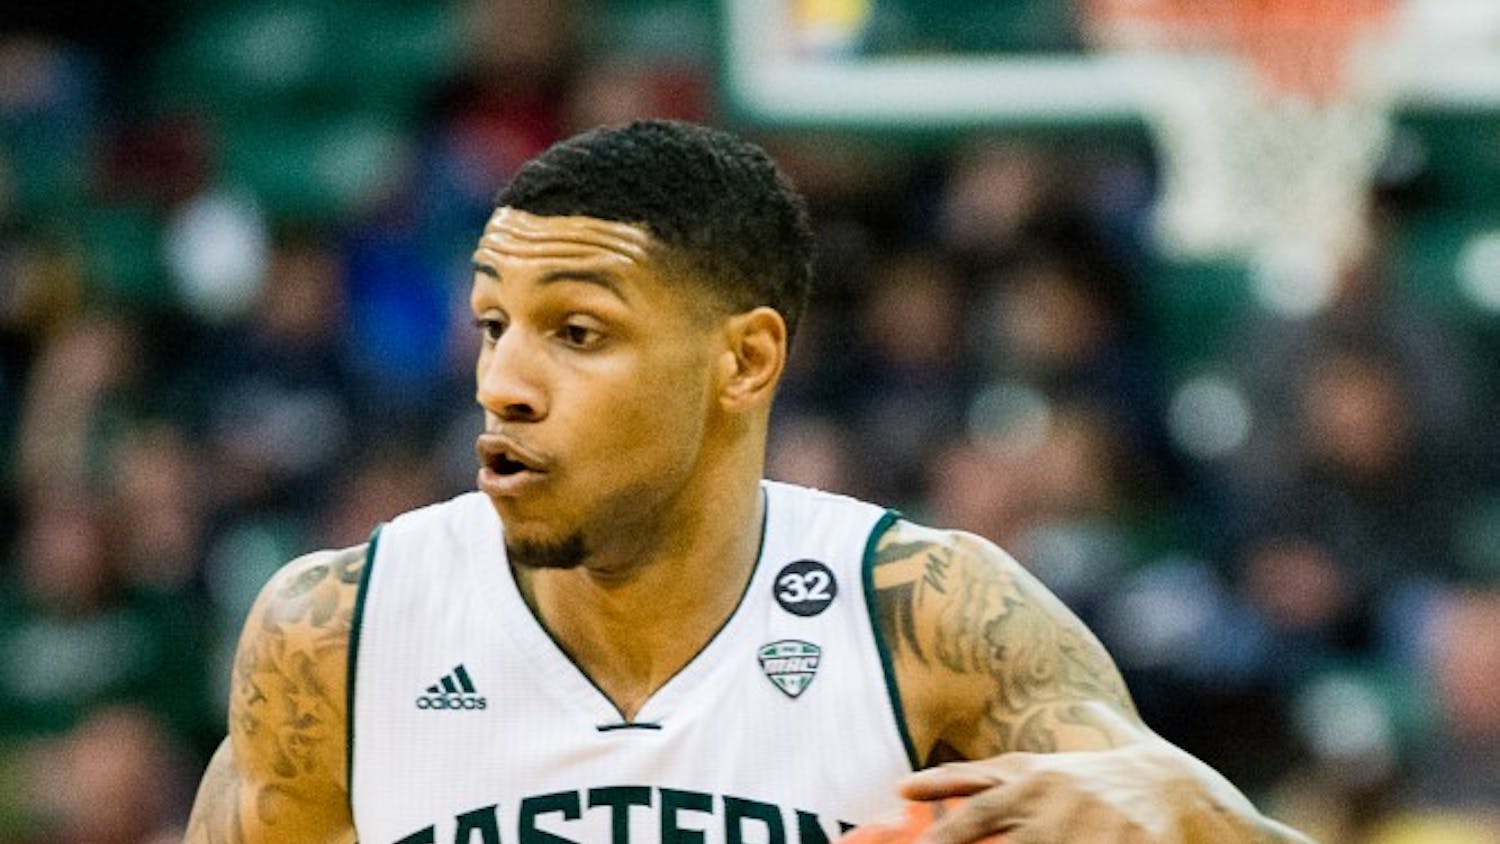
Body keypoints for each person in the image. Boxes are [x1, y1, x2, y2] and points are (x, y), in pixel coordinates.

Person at [184, 120, 1310, 844]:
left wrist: (1183, 807)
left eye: (576, 332)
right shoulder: (335, 634)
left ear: (746, 360)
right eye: (492, 325)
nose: (504, 384)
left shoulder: (931, 618)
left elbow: (1172, 806)